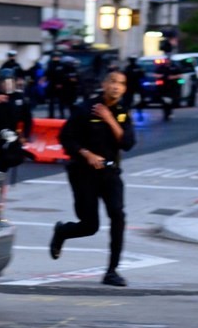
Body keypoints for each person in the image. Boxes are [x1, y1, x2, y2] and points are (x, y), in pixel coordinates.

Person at [50, 71, 136, 287]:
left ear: (125, 88)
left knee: (118, 216)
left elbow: (127, 143)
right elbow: (66, 138)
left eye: (121, 84)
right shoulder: (85, 108)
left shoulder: (122, 112)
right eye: (113, 82)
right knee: (90, 225)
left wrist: (109, 118)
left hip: (110, 173)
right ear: (105, 84)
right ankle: (63, 231)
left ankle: (112, 271)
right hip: (83, 173)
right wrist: (87, 155)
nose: (116, 87)